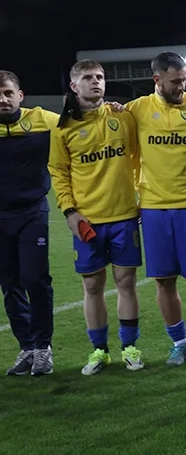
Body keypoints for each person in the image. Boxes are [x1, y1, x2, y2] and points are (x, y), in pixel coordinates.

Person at [124, 52, 186, 365]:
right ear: (157, 80)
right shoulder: (137, 110)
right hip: (154, 208)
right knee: (164, 280)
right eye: (175, 81)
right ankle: (179, 344)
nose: (182, 86)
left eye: (184, 80)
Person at [48, 60, 144, 374]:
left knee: (126, 283)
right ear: (74, 86)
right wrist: (69, 211)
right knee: (92, 286)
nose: (96, 82)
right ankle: (99, 351)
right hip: (87, 220)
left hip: (124, 216)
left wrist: (142, 193)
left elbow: (139, 156)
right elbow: (58, 172)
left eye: (100, 77)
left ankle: (129, 347)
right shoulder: (63, 127)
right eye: (88, 77)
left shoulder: (121, 117)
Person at [0, 71, 58, 376]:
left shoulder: (42, 120)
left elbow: (80, 124)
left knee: (35, 279)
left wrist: (114, 109)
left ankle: (43, 347)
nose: (2, 99)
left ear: (20, 95)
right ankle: (27, 347)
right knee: (9, 284)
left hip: (32, 212)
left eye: (8, 93)